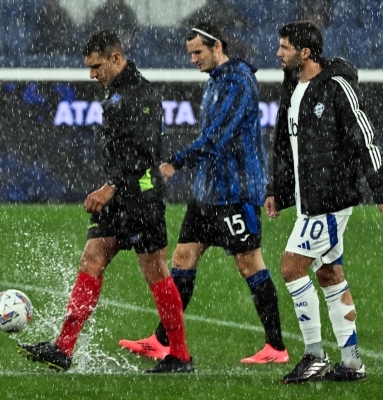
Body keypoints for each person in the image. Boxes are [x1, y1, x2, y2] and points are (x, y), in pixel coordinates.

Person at [17, 30, 194, 374]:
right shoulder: (117, 93)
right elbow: (125, 151)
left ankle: (181, 356)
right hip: (122, 191)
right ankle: (63, 348)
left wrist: (111, 186)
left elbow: (143, 154)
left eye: (96, 66)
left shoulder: (140, 94)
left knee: (154, 268)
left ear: (116, 58)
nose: (91, 74)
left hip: (140, 194)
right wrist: (111, 184)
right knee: (92, 257)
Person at [119, 22, 289, 365]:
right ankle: (162, 340)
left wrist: (175, 163)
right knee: (182, 259)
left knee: (249, 264)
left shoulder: (239, 81)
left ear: (218, 47)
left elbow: (216, 137)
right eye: (190, 54)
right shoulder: (216, 82)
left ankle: (276, 347)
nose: (193, 59)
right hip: (207, 194)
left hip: (236, 192)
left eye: (198, 52)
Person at [268, 20, 383, 384]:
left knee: (291, 268)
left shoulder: (337, 87)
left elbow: (364, 138)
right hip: (307, 200)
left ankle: (313, 355)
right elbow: (284, 145)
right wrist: (276, 191)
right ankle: (352, 361)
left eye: (284, 47)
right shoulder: (293, 85)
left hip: (330, 200)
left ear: (305, 52)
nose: (278, 53)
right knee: (329, 275)